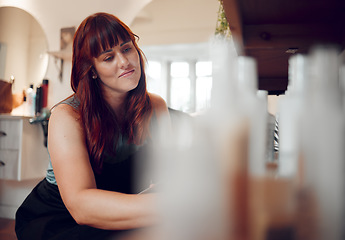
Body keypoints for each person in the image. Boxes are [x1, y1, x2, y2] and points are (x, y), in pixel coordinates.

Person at [15, 12, 170, 240]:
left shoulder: (156, 106)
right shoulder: (67, 115)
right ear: (92, 70)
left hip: (124, 209)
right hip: (61, 220)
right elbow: (82, 207)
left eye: (127, 49)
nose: (124, 61)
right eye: (108, 58)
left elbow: (170, 174)